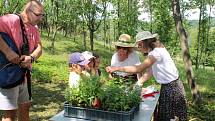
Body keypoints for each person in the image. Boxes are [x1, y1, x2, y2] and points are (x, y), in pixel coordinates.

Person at [106, 31, 187, 121]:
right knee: (166, 117)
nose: (139, 48)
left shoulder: (155, 53)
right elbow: (151, 71)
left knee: (170, 117)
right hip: (170, 87)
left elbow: (138, 69)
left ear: (144, 43)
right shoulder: (157, 49)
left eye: (140, 45)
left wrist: (116, 68)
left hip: (172, 89)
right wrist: (139, 82)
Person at [0, 1, 44, 121]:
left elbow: (39, 47)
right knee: (10, 114)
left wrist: (32, 57)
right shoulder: (10, 19)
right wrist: (8, 52)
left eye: (42, 15)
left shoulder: (34, 28)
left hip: (24, 75)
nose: (40, 18)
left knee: (25, 108)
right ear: (28, 11)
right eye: (38, 14)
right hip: (9, 74)